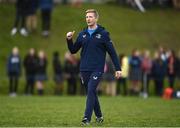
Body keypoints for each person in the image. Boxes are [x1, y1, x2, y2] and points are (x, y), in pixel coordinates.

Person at [66, 9, 121, 125]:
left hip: (97, 69)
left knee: (91, 90)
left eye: (90, 17)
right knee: (92, 93)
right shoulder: (82, 34)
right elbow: (73, 50)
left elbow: (112, 53)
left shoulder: (104, 34)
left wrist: (118, 68)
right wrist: (69, 39)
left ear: (96, 18)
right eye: (86, 17)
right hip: (84, 69)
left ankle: (86, 118)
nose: (88, 19)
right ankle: (99, 116)